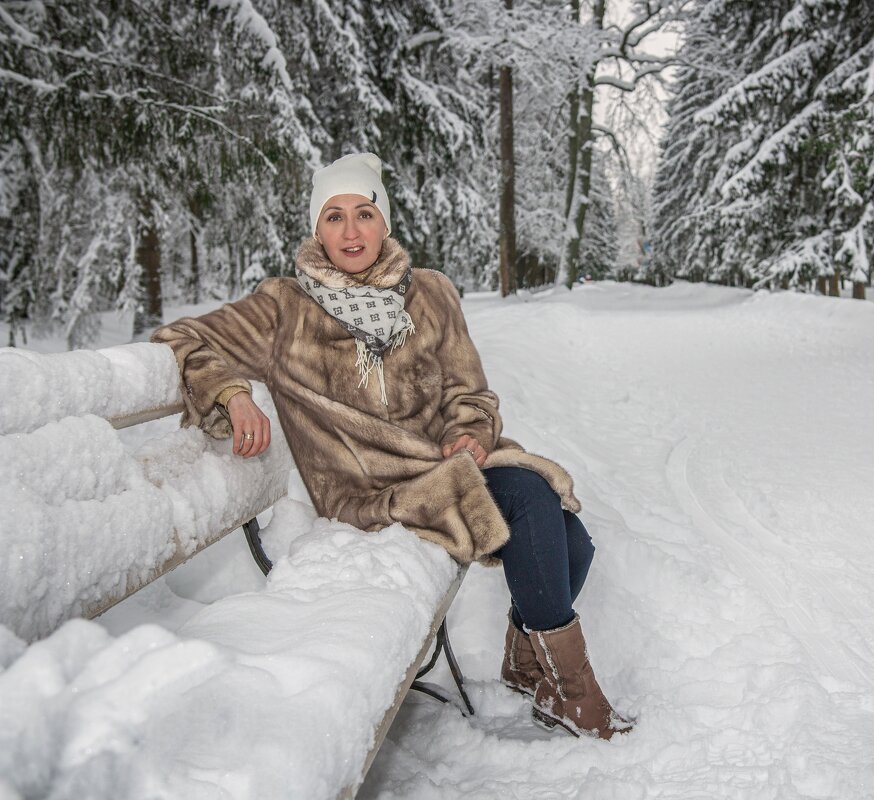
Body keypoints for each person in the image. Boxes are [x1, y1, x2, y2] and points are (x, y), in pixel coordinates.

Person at [152, 153, 632, 740]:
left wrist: (469, 433)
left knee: (571, 540)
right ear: (316, 229)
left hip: (446, 465)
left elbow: (470, 391)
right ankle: (573, 694)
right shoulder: (284, 308)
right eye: (333, 217)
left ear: (384, 221)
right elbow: (182, 335)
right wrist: (232, 393)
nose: (350, 232)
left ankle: (529, 665)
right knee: (534, 501)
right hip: (370, 493)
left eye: (363, 213)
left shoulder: (430, 293)